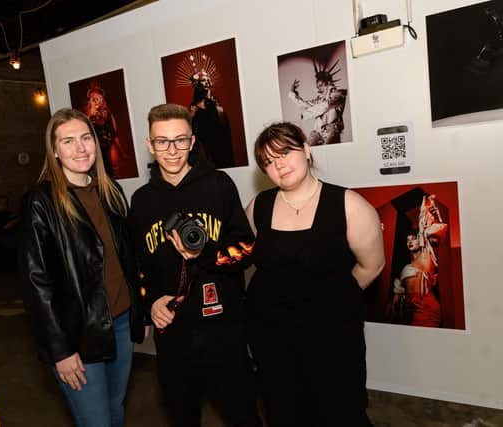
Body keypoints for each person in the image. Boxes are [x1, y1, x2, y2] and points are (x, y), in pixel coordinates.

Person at [128, 103, 261, 427]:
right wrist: (150, 301)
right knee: (182, 415)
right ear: (150, 144)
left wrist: (203, 253)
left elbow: (246, 251)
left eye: (180, 140)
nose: (171, 151)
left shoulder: (219, 186)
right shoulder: (142, 201)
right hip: (173, 332)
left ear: (192, 141)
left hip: (224, 328)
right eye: (162, 141)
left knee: (242, 415)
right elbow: (137, 266)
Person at [245, 122, 385, 426]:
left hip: (331, 340)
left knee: (340, 413)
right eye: (268, 161)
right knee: (284, 411)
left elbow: (371, 266)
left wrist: (329, 302)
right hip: (272, 338)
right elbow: (245, 258)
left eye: (285, 152)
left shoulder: (348, 205)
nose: (278, 165)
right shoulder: (258, 206)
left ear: (307, 150)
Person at [18, 108, 145, 427]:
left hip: (120, 324)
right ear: (55, 151)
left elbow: (127, 259)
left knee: (115, 410)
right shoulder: (41, 201)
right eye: (68, 141)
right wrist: (60, 350)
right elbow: (36, 284)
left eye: (86, 138)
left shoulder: (111, 191)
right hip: (78, 334)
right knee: (96, 421)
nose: (80, 148)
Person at [388, 195, 447, 327]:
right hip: (408, 312)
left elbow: (433, 233)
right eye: (407, 240)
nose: (409, 242)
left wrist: (428, 213)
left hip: (425, 309)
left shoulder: (427, 254)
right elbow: (399, 295)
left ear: (420, 240)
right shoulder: (406, 268)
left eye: (413, 239)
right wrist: (394, 303)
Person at [288, 59, 348, 146]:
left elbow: (325, 106)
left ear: (328, 83)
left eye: (320, 85)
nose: (318, 89)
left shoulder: (339, 94)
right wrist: (292, 94)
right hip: (318, 132)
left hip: (331, 130)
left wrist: (306, 114)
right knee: (309, 150)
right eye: (317, 86)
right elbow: (305, 104)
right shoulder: (319, 100)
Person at [188, 70, 235, 168]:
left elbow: (225, 133)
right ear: (197, 84)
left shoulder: (218, 109)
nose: (207, 82)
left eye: (208, 80)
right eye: (203, 80)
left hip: (220, 150)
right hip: (204, 151)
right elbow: (191, 131)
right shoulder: (194, 108)